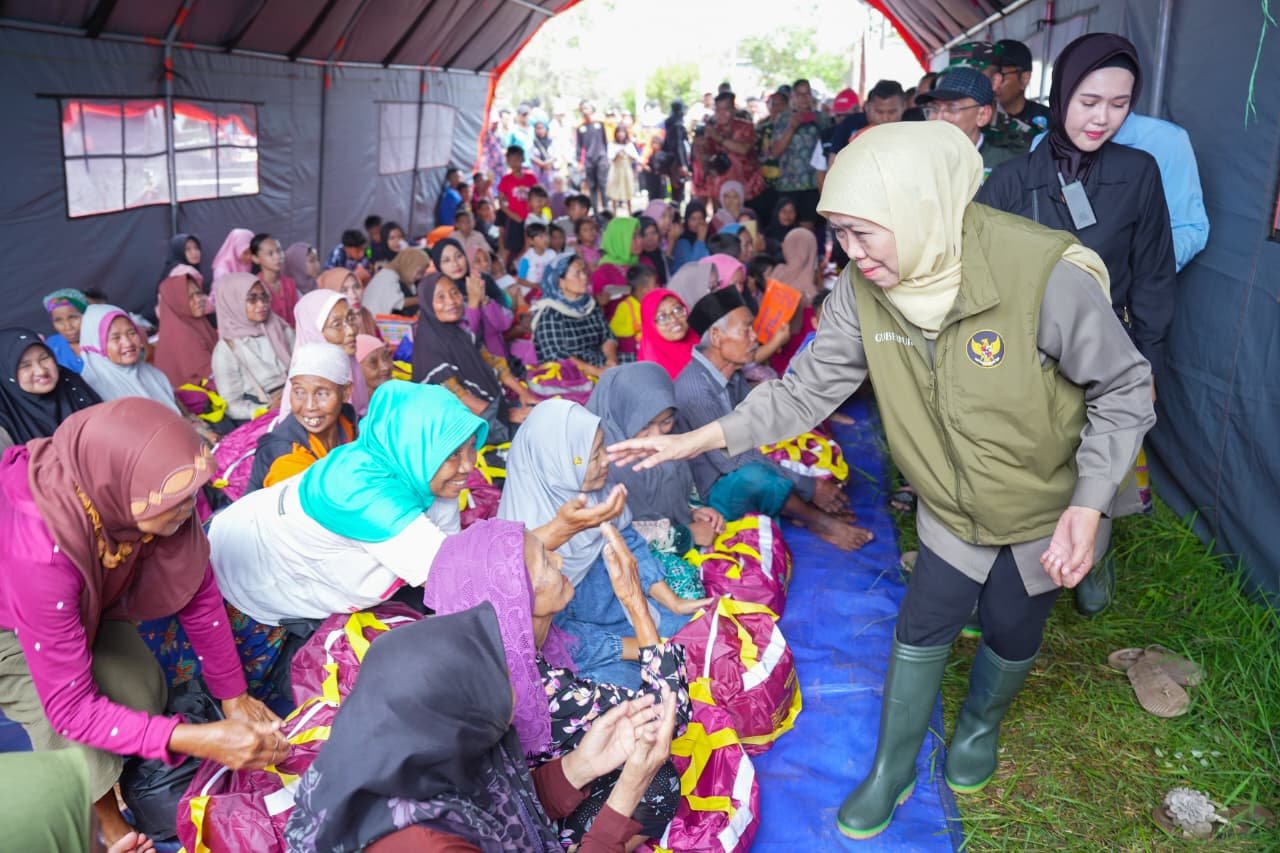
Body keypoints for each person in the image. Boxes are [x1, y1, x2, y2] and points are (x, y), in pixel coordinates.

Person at [608, 121, 1156, 840]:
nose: (850, 256)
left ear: (921, 209)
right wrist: (699, 438)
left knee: (1013, 626)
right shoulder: (868, 289)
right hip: (949, 509)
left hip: (1041, 506)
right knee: (923, 622)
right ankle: (892, 768)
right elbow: (800, 393)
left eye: (865, 234)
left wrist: (1088, 506)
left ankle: (977, 729)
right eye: (840, 236)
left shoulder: (1040, 274)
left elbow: (1124, 385)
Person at [0, 399, 288, 846]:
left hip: (88, 594)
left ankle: (135, 765)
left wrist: (232, 695)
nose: (190, 509)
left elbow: (197, 592)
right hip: (12, 624)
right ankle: (110, 825)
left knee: (140, 688)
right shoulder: (42, 553)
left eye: (193, 494)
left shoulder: (140, 488)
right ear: (120, 493)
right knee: (66, 726)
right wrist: (197, 739)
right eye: (178, 502)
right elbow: (70, 710)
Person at [283, 603, 680, 853]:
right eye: (497, 677)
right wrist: (629, 789)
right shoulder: (426, 845)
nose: (516, 684)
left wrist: (582, 764)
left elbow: (496, 807)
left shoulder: (404, 752)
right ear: (459, 711)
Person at [422, 519, 688, 848]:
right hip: (524, 823)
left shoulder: (495, 644)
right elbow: (667, 718)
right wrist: (636, 604)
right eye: (545, 562)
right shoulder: (531, 685)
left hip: (524, 797)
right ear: (518, 596)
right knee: (659, 782)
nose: (560, 560)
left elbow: (594, 644)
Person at [979, 34, 1175, 387]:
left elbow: (1153, 279)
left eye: (1119, 104)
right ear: (1061, 94)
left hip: (1107, 362)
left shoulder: (1139, 173)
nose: (1102, 118)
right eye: (1088, 102)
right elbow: (973, 277)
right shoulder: (1012, 179)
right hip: (1018, 365)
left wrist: (1147, 371)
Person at [209, 383, 481, 626]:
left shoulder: (415, 464)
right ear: (413, 446)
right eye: (453, 453)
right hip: (237, 573)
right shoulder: (365, 494)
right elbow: (453, 581)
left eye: (471, 447)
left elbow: (448, 552)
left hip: (264, 541)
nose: (469, 465)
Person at [498, 400, 708, 688]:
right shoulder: (524, 545)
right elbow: (558, 639)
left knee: (702, 639)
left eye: (601, 448)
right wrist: (640, 645)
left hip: (627, 611)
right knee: (635, 691)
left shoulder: (595, 494)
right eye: (590, 455)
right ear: (554, 462)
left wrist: (670, 600)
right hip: (593, 648)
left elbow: (629, 540)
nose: (605, 461)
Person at [671, 286, 870, 551]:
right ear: (717, 337)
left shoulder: (731, 373)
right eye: (746, 329)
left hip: (741, 460)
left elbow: (757, 430)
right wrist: (809, 487)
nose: (755, 337)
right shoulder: (695, 389)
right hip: (713, 490)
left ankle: (802, 508)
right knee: (755, 475)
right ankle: (816, 519)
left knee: (798, 446)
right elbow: (735, 459)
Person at [1029, 113, 1210, 272]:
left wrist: (1141, 272)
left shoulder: (1165, 140)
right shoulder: (1044, 143)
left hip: (1123, 299)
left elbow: (1188, 227)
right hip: (1052, 286)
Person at [588, 363, 724, 547]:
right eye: (644, 425)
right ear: (620, 412)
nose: (656, 436)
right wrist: (685, 535)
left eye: (666, 421)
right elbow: (605, 537)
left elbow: (672, 500)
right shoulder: (597, 463)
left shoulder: (671, 444)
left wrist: (691, 513)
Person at [415, 248, 538, 438]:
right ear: (427, 305)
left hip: (488, 411)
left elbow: (492, 361)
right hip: (459, 428)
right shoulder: (430, 347)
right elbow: (457, 396)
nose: (451, 302)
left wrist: (522, 391)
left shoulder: (459, 332)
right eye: (440, 297)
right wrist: (507, 415)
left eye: (455, 293)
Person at [247, 343, 356, 493]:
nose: (310, 406)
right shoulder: (285, 454)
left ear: (345, 392)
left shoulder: (350, 422)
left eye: (322, 394)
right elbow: (317, 507)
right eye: (299, 392)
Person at [210, 273, 295, 422]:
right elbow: (231, 403)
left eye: (264, 297)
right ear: (233, 302)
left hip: (296, 396)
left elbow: (301, 364)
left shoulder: (279, 327)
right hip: (263, 412)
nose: (261, 304)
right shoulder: (226, 349)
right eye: (252, 299)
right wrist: (265, 409)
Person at [0, 328, 100, 451]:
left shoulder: (71, 384)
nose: (41, 371)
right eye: (25, 365)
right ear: (5, 373)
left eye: (44, 358)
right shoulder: (4, 425)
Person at [920, 67, 1021, 175]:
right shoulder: (920, 159)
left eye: (952, 108)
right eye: (934, 108)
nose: (939, 119)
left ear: (982, 115)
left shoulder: (1006, 166)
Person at [532, 253, 618, 377]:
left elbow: (607, 336)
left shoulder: (589, 305)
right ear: (561, 282)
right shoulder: (550, 313)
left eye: (584, 271)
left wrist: (611, 360)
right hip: (572, 377)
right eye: (577, 273)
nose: (584, 277)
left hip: (600, 368)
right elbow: (557, 356)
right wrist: (597, 372)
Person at [768, 79, 825, 233]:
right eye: (799, 94)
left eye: (807, 94)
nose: (803, 98)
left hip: (812, 184)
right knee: (785, 229)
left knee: (807, 231)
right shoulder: (783, 118)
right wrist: (791, 128)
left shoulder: (821, 119)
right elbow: (775, 152)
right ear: (793, 96)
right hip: (788, 184)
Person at [153, 273, 217, 390]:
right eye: (190, 297)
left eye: (198, 293)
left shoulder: (197, 323)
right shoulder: (181, 336)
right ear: (177, 302)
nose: (198, 300)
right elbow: (212, 376)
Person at [705, 91, 764, 208]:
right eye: (717, 110)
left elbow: (743, 149)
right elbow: (707, 156)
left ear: (733, 110)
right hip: (724, 189)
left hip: (748, 187)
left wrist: (719, 139)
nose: (721, 114)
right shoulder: (712, 130)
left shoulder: (746, 126)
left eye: (725, 109)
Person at [991, 39, 1053, 135]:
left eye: (1001, 76)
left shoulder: (1049, 121)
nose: (994, 84)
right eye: (992, 77)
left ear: (1024, 79)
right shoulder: (982, 118)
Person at [638, 287, 698, 381]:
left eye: (677, 310)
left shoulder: (697, 339)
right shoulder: (651, 368)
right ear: (650, 325)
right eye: (662, 317)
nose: (674, 320)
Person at [249, 233, 299, 327]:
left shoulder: (289, 283)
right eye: (270, 253)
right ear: (255, 259)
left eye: (279, 251)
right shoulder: (254, 286)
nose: (277, 257)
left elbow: (297, 315)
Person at [498, 145, 539, 261]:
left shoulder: (531, 178)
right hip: (514, 218)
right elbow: (502, 202)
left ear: (522, 159)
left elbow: (538, 195)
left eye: (517, 159)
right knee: (509, 247)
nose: (514, 163)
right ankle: (504, 271)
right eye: (511, 160)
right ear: (507, 161)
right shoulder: (506, 180)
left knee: (530, 246)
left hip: (530, 218)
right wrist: (513, 215)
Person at [316, 267, 379, 338]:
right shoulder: (328, 327)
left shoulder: (366, 316)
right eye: (344, 290)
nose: (354, 295)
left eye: (356, 287)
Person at [364, 247, 428, 317]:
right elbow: (399, 303)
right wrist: (421, 298)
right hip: (373, 321)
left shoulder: (395, 274)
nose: (420, 276)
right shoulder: (389, 276)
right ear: (409, 266)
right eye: (420, 272)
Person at [591, 216, 640, 303]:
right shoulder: (603, 273)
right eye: (633, 237)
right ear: (618, 239)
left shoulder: (642, 262)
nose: (639, 241)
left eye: (639, 235)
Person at [42, 289, 89, 373]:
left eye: (73, 317)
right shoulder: (51, 345)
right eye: (58, 320)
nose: (68, 327)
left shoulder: (101, 341)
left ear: (86, 315)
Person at [577, 102, 611, 214]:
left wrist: (607, 157)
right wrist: (580, 162)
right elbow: (579, 146)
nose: (584, 110)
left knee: (603, 184)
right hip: (589, 160)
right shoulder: (580, 127)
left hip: (601, 158)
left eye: (587, 108)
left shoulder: (600, 124)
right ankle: (595, 211)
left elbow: (606, 141)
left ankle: (606, 209)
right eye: (582, 108)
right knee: (592, 186)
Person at [605, 126, 640, 213]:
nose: (620, 134)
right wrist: (617, 154)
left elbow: (636, 157)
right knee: (614, 192)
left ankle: (630, 212)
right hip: (616, 171)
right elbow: (610, 159)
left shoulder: (629, 145)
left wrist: (627, 153)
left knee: (628, 192)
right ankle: (614, 213)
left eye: (622, 132)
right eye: (619, 132)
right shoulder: (611, 145)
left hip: (626, 171)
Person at [670, 202, 710, 272]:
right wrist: (700, 239)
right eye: (693, 219)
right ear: (687, 221)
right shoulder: (682, 241)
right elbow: (693, 265)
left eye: (700, 218)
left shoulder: (709, 237)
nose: (698, 223)